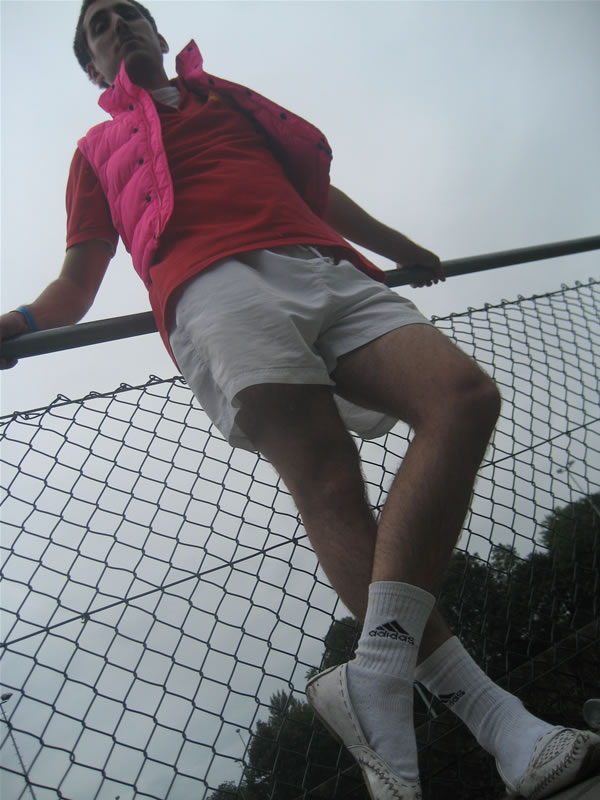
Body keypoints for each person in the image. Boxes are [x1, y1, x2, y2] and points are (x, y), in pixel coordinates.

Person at [1, 2, 598, 798]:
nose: (119, 26)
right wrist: (17, 324)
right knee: (329, 484)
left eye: (130, 13)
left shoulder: (228, 99)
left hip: (324, 265)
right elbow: (76, 284)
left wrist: (403, 249)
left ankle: (373, 673)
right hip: (208, 285)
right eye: (100, 26)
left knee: (462, 398)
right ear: (91, 66)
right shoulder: (94, 152)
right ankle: (506, 730)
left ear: (158, 32)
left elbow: (316, 192)